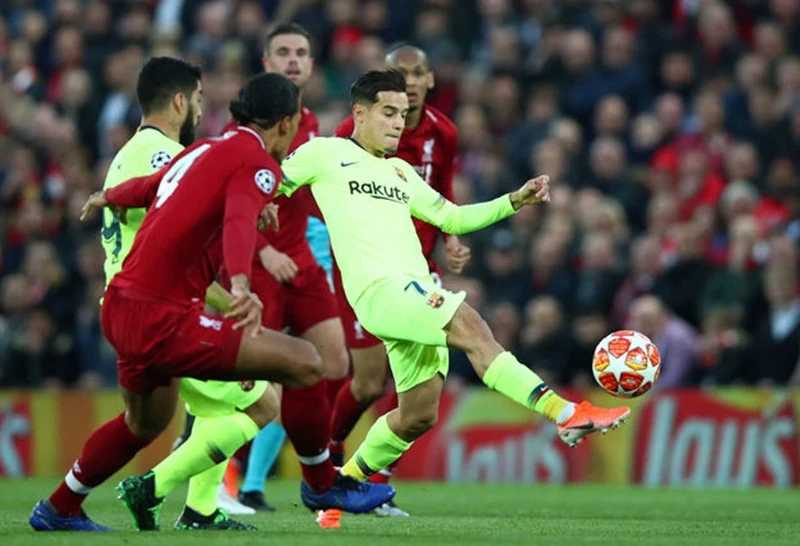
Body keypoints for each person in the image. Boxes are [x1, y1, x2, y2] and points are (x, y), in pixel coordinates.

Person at [31, 70, 394, 532]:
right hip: (162, 315)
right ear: (285, 124)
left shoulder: (205, 149)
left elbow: (150, 187)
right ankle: (322, 484)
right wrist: (241, 284)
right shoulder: (257, 161)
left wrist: (107, 196)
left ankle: (58, 507)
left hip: (121, 308)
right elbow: (241, 218)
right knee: (306, 362)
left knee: (146, 422)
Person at [280, 69, 630, 492]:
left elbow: (451, 216)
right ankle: (565, 413)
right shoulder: (324, 153)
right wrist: (257, 237)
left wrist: (514, 201)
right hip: (381, 292)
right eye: (388, 113)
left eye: (403, 114)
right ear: (360, 113)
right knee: (472, 326)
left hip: (411, 293)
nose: (398, 123)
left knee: (418, 415)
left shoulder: (401, 172)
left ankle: (338, 491)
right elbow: (267, 184)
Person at [213, 22, 352, 514]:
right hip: (258, 262)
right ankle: (222, 484)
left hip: (303, 261)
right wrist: (263, 251)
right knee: (247, 381)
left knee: (333, 364)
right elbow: (231, 207)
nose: (294, 60)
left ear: (312, 65)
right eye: (283, 53)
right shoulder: (244, 131)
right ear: (267, 62)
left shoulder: (312, 125)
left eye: (302, 52)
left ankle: (277, 478)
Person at [327, 46, 469, 515]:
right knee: (367, 384)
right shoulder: (358, 133)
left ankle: (373, 479)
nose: (409, 80)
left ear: (431, 80)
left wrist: (449, 237)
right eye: (401, 73)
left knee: (420, 390)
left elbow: (443, 193)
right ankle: (326, 466)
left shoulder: (442, 133)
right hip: (368, 270)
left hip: (417, 268)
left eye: (417, 72)